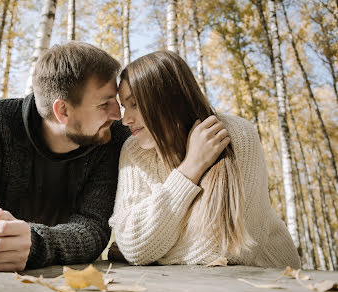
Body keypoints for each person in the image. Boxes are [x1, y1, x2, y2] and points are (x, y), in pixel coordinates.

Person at [0, 42, 130, 272]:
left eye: (115, 101)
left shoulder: (114, 138)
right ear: (62, 111)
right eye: (105, 104)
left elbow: (93, 227)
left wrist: (35, 244)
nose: (118, 115)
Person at [108, 51, 300, 268]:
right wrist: (191, 168)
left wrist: (154, 254)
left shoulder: (238, 136)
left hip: (270, 281)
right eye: (124, 106)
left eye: (134, 104)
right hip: (179, 286)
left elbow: (231, 252)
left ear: (167, 99)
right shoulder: (134, 151)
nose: (125, 120)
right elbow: (134, 245)